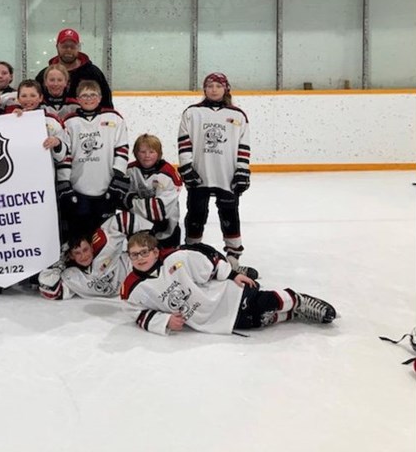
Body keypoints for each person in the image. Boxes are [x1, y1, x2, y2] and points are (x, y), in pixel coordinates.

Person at [119, 231, 336, 337]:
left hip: (223, 295)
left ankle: (297, 300)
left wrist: (232, 275)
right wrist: (164, 320)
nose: (139, 258)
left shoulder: (178, 259)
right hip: (208, 318)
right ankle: (291, 314)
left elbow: (210, 263)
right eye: (134, 255)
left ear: (155, 251)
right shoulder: (132, 287)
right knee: (256, 320)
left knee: (262, 302)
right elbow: (134, 311)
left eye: (144, 252)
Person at [176, 72, 253, 275]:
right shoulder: (192, 113)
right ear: (204, 89)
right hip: (199, 174)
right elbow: (184, 142)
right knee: (195, 214)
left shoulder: (238, 115)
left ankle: (233, 256)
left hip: (226, 175)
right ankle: (192, 252)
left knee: (229, 215)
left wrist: (242, 171)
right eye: (209, 86)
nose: (214, 89)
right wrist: (186, 167)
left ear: (226, 89)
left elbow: (243, 146)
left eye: (218, 86)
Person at [56, 80, 130, 238]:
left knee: (103, 235)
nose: (88, 98)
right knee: (79, 235)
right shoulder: (70, 121)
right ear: (77, 99)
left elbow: (122, 148)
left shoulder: (114, 118)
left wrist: (118, 176)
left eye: (93, 95)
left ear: (100, 97)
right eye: (84, 95)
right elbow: (66, 154)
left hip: (105, 185)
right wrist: (64, 181)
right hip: (78, 186)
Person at [38, 209, 152, 301]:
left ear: (92, 247)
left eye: (85, 249)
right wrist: (57, 260)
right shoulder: (71, 275)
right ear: (71, 256)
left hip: (140, 282)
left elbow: (122, 220)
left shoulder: (104, 245)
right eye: (77, 253)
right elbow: (51, 291)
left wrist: (148, 236)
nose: (83, 256)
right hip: (117, 304)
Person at [125, 133, 183, 255]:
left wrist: (132, 202)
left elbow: (160, 209)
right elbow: (121, 199)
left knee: (168, 261)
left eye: (151, 152)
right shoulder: (129, 171)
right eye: (142, 151)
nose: (147, 156)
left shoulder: (169, 173)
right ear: (135, 153)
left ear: (159, 153)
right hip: (138, 228)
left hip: (167, 229)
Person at [35, 28, 113, 109]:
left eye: (72, 46)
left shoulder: (93, 73)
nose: (68, 50)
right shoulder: (44, 75)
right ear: (57, 47)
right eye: (64, 46)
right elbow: (31, 100)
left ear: (78, 47)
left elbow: (107, 105)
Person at [14, 79, 67, 165]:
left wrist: (57, 143)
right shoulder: (11, 120)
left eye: (33, 95)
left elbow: (61, 157)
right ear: (18, 99)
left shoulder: (51, 121)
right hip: (19, 169)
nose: (28, 99)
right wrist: (12, 120)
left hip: (44, 171)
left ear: (40, 98)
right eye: (24, 96)